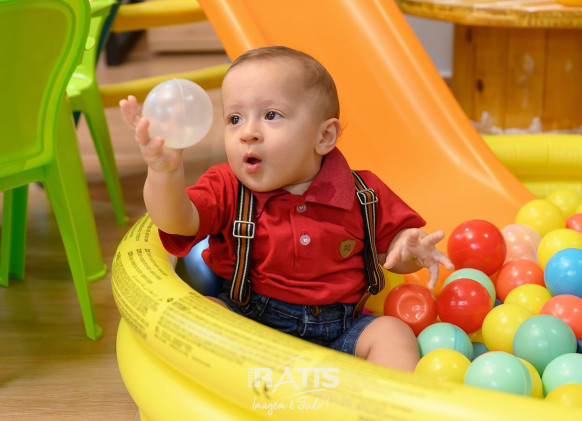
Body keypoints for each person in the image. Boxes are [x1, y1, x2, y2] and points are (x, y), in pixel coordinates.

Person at [120, 46, 454, 372]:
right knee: (200, 313)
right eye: (234, 119)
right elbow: (176, 221)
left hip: (339, 335)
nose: (248, 133)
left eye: (271, 115)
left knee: (393, 333)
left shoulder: (362, 193)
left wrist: (410, 248)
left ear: (324, 136)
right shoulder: (227, 186)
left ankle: (381, 402)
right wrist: (163, 173)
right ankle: (230, 390)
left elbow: (394, 254)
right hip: (248, 330)